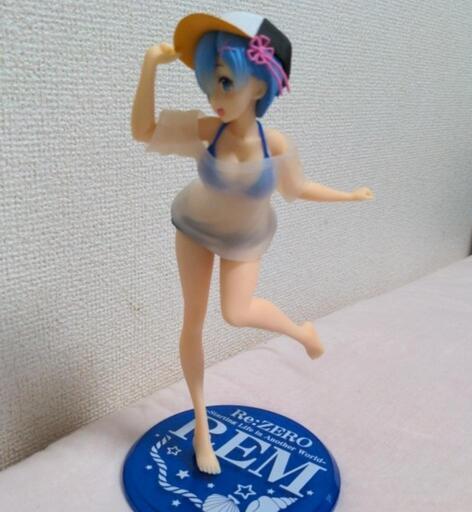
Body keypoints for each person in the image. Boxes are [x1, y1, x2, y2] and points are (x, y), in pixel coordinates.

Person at [131, 11, 374, 475]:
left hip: (244, 237)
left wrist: (349, 195)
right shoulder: (210, 130)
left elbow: (299, 187)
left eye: (226, 82)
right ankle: (202, 429)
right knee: (193, 321)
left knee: (237, 312)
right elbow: (144, 130)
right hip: (195, 226)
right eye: (210, 83)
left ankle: (301, 332)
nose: (215, 97)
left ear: (259, 85)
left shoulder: (274, 145)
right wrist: (149, 66)